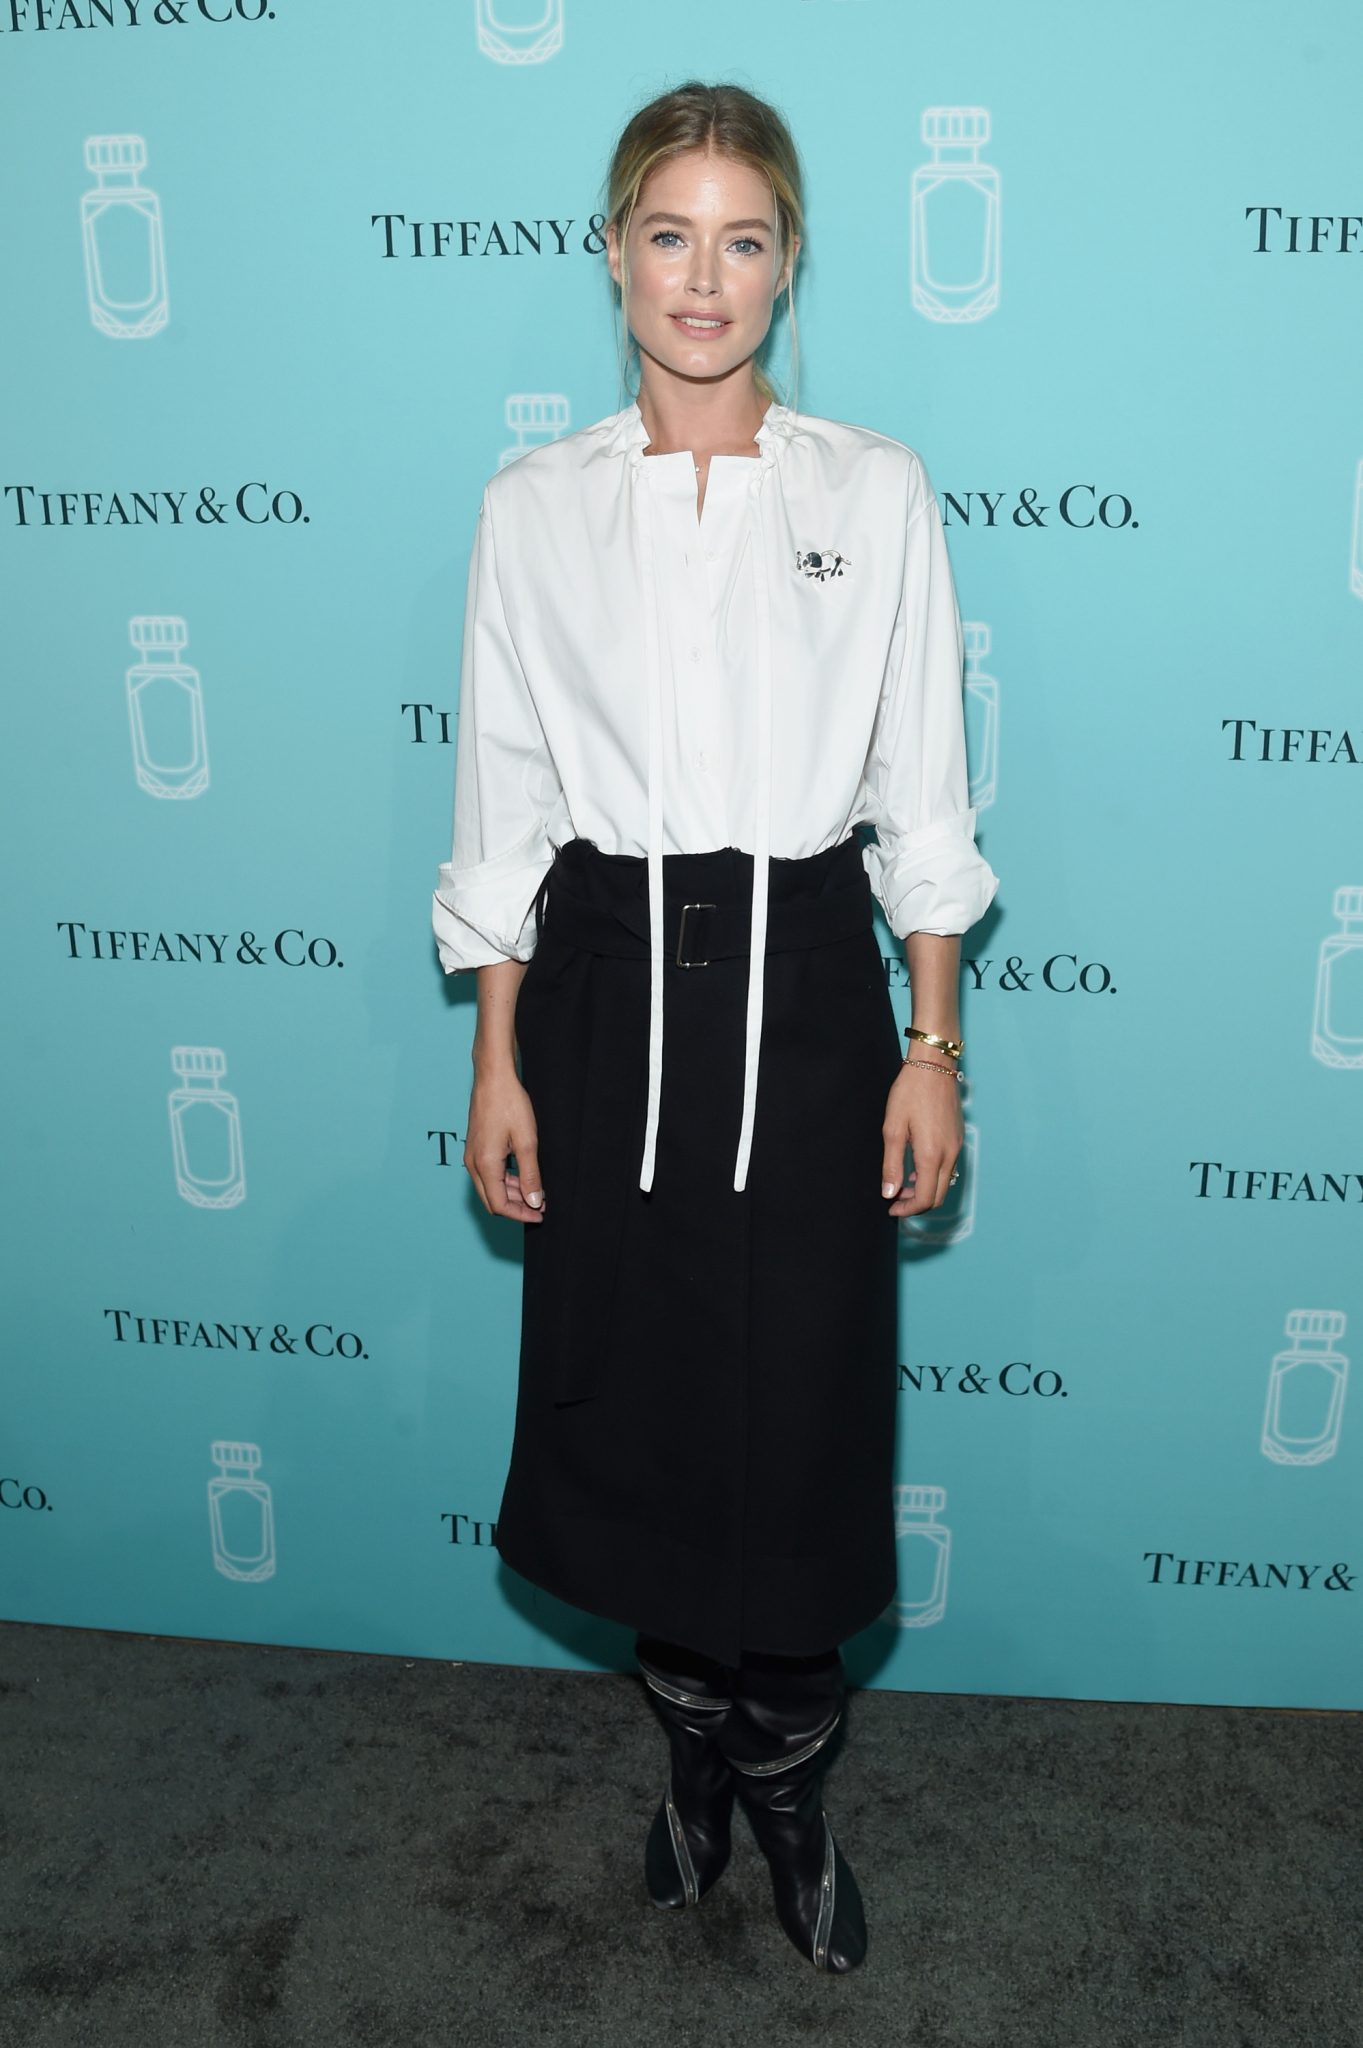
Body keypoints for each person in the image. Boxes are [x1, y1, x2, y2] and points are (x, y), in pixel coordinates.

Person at [432, 80, 1000, 1974]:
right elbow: (506, 807)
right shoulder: (532, 509)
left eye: (741, 239)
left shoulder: (875, 490)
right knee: (648, 1430)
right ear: (613, 254)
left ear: (788, 262)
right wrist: (497, 1058)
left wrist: (932, 1048)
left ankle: (791, 1795)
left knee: (798, 1431)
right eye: (668, 235)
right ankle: (693, 1761)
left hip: (813, 1001)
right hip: (602, 1007)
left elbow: (922, 800)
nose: (703, 277)